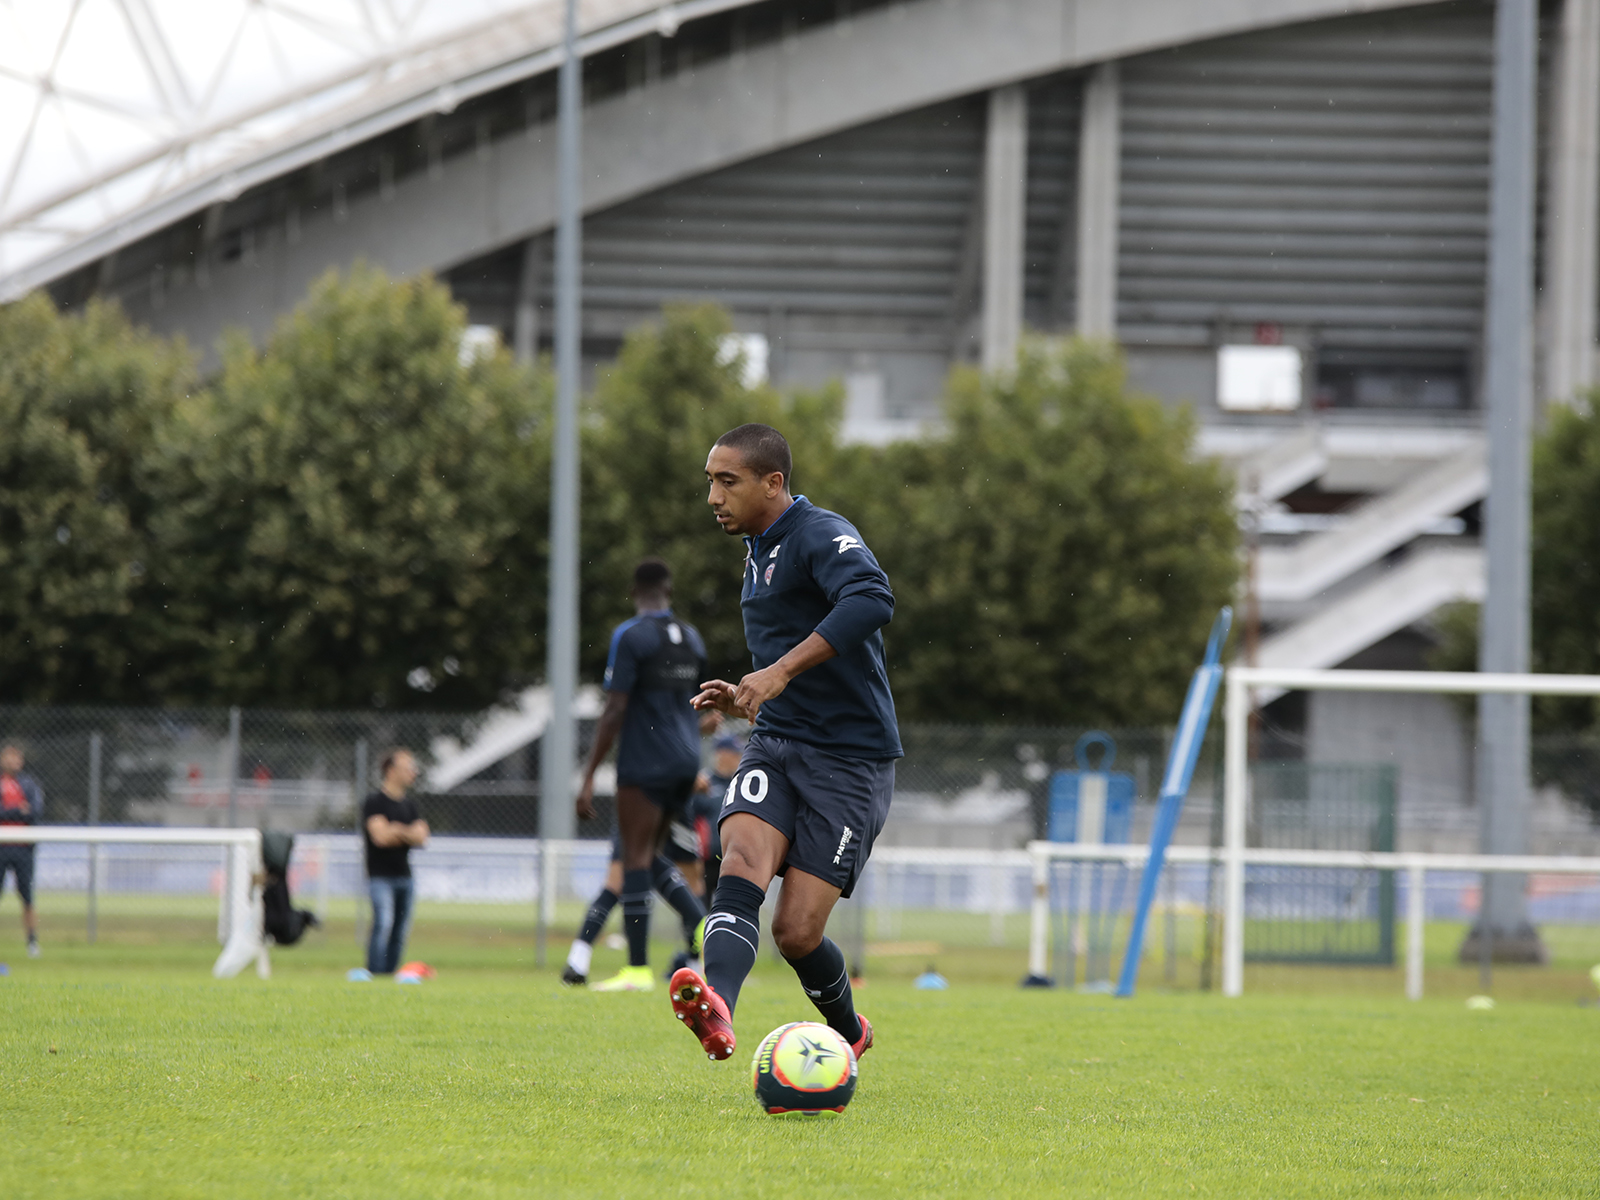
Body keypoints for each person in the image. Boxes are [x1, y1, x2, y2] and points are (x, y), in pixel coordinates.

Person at [672, 423, 900, 1063]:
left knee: (796, 933)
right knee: (740, 861)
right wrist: (745, 693)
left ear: (773, 483)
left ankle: (850, 1031)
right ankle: (717, 1006)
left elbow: (872, 598)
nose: (713, 497)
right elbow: (780, 655)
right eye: (710, 482)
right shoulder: (757, 548)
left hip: (850, 761)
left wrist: (778, 673)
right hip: (776, 743)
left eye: (728, 481)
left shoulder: (818, 532)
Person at [573, 558, 711, 993]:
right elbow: (702, 707)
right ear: (668, 592)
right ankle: (699, 922)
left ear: (635, 593)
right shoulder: (691, 637)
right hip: (686, 763)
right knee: (651, 857)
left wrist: (589, 772)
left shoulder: (630, 635)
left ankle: (636, 970)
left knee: (633, 857)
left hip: (645, 762)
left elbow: (615, 708)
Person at [361, 748, 429, 975]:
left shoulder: (410, 805)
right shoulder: (375, 802)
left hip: (405, 876)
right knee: (383, 923)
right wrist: (406, 831)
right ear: (390, 771)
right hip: (380, 876)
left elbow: (422, 837)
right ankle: (376, 972)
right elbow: (380, 837)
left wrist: (396, 830)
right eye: (407, 767)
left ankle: (390, 974)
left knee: (400, 930)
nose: (413, 772)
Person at [0, 743, 44, 958]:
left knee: (27, 897)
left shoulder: (29, 784)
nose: (12, 762)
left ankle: (32, 942)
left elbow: (35, 811)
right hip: (1, 846)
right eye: (9, 758)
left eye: (16, 758)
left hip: (23, 847)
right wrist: (18, 810)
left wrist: (10, 813)